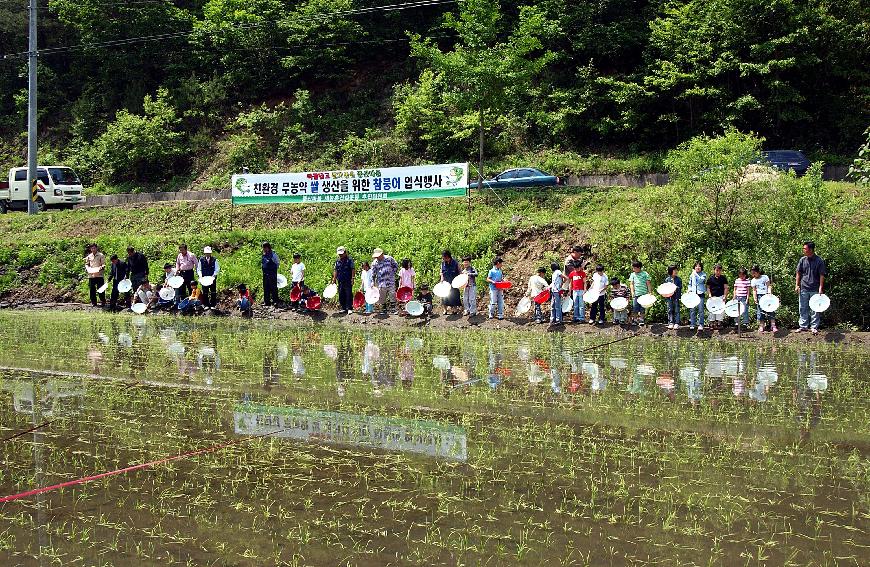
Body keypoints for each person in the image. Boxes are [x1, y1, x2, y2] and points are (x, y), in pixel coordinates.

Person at [795, 241, 827, 334]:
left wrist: (821, 288)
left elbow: (822, 275)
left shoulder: (819, 260)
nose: (803, 250)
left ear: (811, 249)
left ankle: (814, 327)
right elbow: (798, 272)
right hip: (804, 287)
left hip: (815, 288)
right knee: (803, 308)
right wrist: (797, 285)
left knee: (815, 308)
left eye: (805, 248)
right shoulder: (802, 260)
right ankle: (803, 326)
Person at [751, 265, 778, 333]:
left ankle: (773, 325)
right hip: (759, 296)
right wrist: (755, 298)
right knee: (760, 311)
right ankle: (761, 326)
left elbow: (769, 286)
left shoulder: (765, 277)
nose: (753, 274)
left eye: (754, 273)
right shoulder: (753, 280)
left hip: (767, 296)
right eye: (752, 273)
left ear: (758, 272)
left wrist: (769, 293)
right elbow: (754, 290)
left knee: (771, 310)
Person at [372, 248, 399, 315]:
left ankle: (393, 309)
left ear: (382, 254)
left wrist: (392, 273)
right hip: (381, 282)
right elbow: (373, 273)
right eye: (376, 256)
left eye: (378, 256)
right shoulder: (374, 263)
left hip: (390, 281)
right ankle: (384, 309)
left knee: (392, 294)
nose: (377, 257)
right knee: (382, 296)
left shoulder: (389, 258)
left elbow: (395, 265)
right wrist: (372, 282)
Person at [628, 260, 653, 326]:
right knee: (635, 307)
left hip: (644, 294)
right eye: (633, 268)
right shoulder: (632, 274)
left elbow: (648, 283)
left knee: (642, 308)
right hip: (636, 294)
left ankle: (641, 319)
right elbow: (631, 284)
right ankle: (635, 319)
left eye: (634, 268)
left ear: (639, 268)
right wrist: (632, 292)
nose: (633, 269)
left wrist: (650, 292)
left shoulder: (645, 274)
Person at [332, 246, 355, 314]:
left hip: (348, 280)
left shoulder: (349, 260)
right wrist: (334, 279)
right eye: (339, 254)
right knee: (341, 294)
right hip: (340, 280)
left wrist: (353, 278)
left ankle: (349, 308)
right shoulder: (337, 261)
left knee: (348, 294)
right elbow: (335, 270)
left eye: (342, 254)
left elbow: (353, 269)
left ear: (345, 253)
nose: (340, 255)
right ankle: (343, 308)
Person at [440, 250, 462, 315]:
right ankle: (445, 310)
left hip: (454, 281)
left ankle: (454, 309)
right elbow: (441, 272)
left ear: (448, 256)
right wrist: (442, 279)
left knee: (454, 295)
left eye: (444, 257)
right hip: (445, 281)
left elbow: (460, 271)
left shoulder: (455, 263)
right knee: (444, 296)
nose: (443, 259)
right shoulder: (442, 263)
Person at [707, 264, 729, 330]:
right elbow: (708, 287)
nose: (718, 272)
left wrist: (725, 296)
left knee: (720, 310)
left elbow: (726, 288)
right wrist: (709, 294)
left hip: (720, 297)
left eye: (719, 270)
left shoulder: (723, 278)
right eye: (717, 270)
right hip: (713, 297)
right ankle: (711, 323)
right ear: (714, 270)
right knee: (711, 310)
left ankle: (719, 323)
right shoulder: (710, 278)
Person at [84, 243, 106, 308]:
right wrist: (87, 268)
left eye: (94, 248)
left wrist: (101, 268)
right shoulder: (89, 256)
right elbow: (87, 264)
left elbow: (103, 264)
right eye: (92, 248)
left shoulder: (101, 255)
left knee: (101, 289)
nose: (93, 249)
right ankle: (94, 302)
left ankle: (103, 301)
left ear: (96, 248)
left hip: (99, 275)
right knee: (92, 289)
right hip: (91, 275)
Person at [687, 262, 707, 331]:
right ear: (694, 267)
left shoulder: (703, 274)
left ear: (701, 268)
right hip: (693, 294)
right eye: (696, 266)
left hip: (700, 293)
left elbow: (700, 280)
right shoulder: (692, 275)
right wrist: (689, 290)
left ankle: (701, 324)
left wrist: (695, 274)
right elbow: (690, 284)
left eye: (699, 266)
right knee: (692, 310)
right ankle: (692, 324)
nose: (698, 267)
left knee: (701, 310)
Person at [261, 242, 280, 307]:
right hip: (265, 274)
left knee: (273, 287)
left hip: (272, 274)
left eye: (265, 248)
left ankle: (275, 301)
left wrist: (273, 271)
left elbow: (277, 263)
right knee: (266, 288)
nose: (264, 249)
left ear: (268, 247)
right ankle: (267, 302)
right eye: (263, 248)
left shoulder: (273, 254)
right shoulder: (264, 255)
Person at [665, 265, 682, 330]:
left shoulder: (679, 279)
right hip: (669, 297)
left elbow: (680, 287)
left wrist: (675, 288)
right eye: (674, 270)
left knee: (677, 310)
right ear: (670, 271)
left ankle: (677, 323)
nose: (676, 271)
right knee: (670, 309)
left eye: (676, 270)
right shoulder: (667, 279)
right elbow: (665, 288)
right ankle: (671, 322)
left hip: (676, 297)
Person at [549, 262, 564, 326]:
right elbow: (553, 282)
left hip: (557, 291)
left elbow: (565, 277)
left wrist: (561, 285)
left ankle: (558, 319)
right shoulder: (554, 273)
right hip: (553, 291)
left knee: (557, 306)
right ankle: (553, 319)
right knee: (553, 305)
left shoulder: (558, 271)